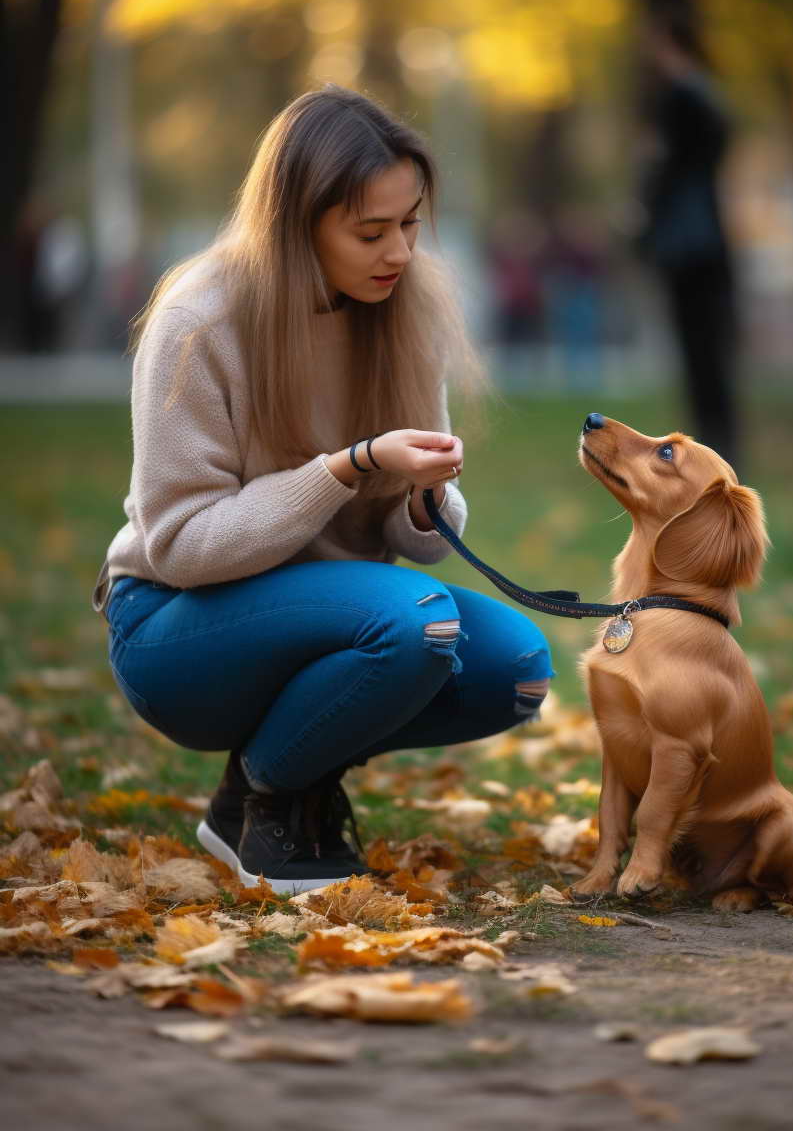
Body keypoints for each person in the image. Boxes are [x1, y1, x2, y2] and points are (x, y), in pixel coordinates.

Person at [90, 85, 555, 894]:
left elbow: (418, 542)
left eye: (410, 224)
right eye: (370, 232)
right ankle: (276, 806)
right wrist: (347, 468)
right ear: (295, 223)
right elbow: (180, 544)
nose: (400, 253)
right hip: (175, 625)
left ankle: (260, 785)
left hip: (344, 613)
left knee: (517, 669)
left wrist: (421, 499)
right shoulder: (201, 318)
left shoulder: (404, 307)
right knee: (416, 625)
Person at [636, 7, 741, 473]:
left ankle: (705, 442)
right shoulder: (711, 98)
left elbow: (663, 172)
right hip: (708, 236)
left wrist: (645, 221)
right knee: (710, 343)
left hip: (686, 240)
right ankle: (718, 438)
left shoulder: (679, 100)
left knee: (697, 343)